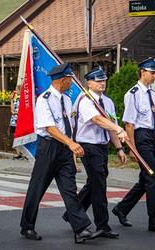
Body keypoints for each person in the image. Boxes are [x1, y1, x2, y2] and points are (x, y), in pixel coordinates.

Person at [20, 63, 101, 244]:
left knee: (69, 190)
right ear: (62, 80)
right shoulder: (44, 99)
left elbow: (68, 126)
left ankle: (81, 230)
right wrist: (71, 143)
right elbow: (49, 127)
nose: (72, 82)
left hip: (64, 150)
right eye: (70, 79)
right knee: (37, 188)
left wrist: (72, 146)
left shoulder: (66, 99)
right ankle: (27, 225)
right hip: (48, 148)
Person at [61, 66, 128, 239]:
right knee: (99, 184)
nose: (102, 83)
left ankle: (73, 213)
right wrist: (118, 128)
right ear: (89, 83)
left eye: (104, 80)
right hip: (88, 146)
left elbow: (110, 125)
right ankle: (102, 225)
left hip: (102, 146)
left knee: (95, 182)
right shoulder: (85, 100)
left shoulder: (108, 101)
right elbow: (97, 120)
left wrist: (119, 148)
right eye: (98, 81)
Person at [112, 58, 155, 233]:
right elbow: (129, 124)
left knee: (144, 179)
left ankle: (121, 208)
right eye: (152, 72)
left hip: (151, 136)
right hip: (140, 138)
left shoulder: (153, 94)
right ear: (142, 72)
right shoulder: (132, 94)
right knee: (152, 178)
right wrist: (132, 148)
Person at [10, 85, 22, 159]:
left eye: (16, 90)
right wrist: (11, 100)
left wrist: (15, 113)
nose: (15, 91)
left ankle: (23, 153)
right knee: (15, 136)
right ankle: (18, 153)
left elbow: (23, 111)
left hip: (20, 120)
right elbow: (12, 109)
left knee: (21, 136)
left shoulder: (24, 100)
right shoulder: (16, 99)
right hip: (14, 120)